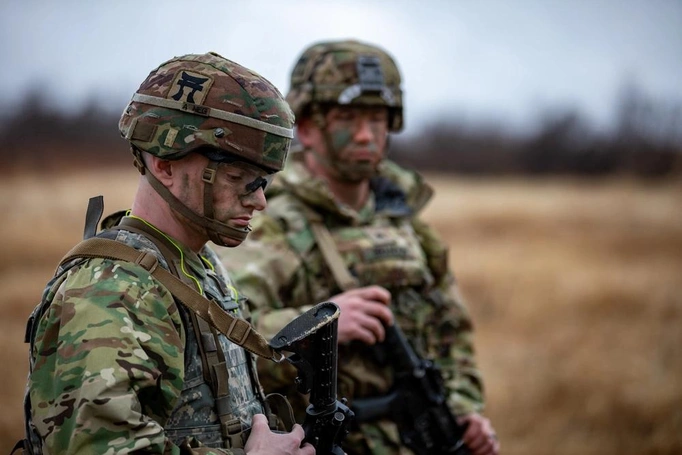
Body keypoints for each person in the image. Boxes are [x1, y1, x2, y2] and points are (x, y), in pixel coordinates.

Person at [20, 52, 315, 455]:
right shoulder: (108, 293)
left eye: (262, 182)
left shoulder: (197, 264)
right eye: (238, 179)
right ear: (164, 164)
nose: (260, 201)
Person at [217, 40, 500, 455]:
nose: (367, 134)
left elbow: (450, 332)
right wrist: (318, 327)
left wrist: (463, 413)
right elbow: (225, 339)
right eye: (347, 117)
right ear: (309, 127)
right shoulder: (271, 223)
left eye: (377, 118)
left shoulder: (404, 223)